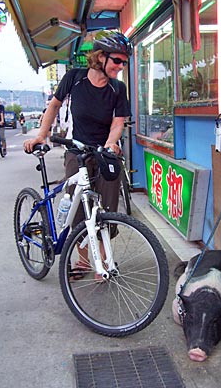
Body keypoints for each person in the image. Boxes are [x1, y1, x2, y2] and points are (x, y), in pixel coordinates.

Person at [24, 30, 132, 281]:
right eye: (117, 60)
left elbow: (118, 122)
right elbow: (54, 106)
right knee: (78, 205)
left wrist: (110, 144)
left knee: (106, 207)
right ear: (100, 58)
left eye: (124, 62)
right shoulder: (75, 78)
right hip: (76, 149)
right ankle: (84, 260)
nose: (121, 66)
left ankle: (104, 258)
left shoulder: (117, 88)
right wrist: (42, 134)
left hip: (103, 150)